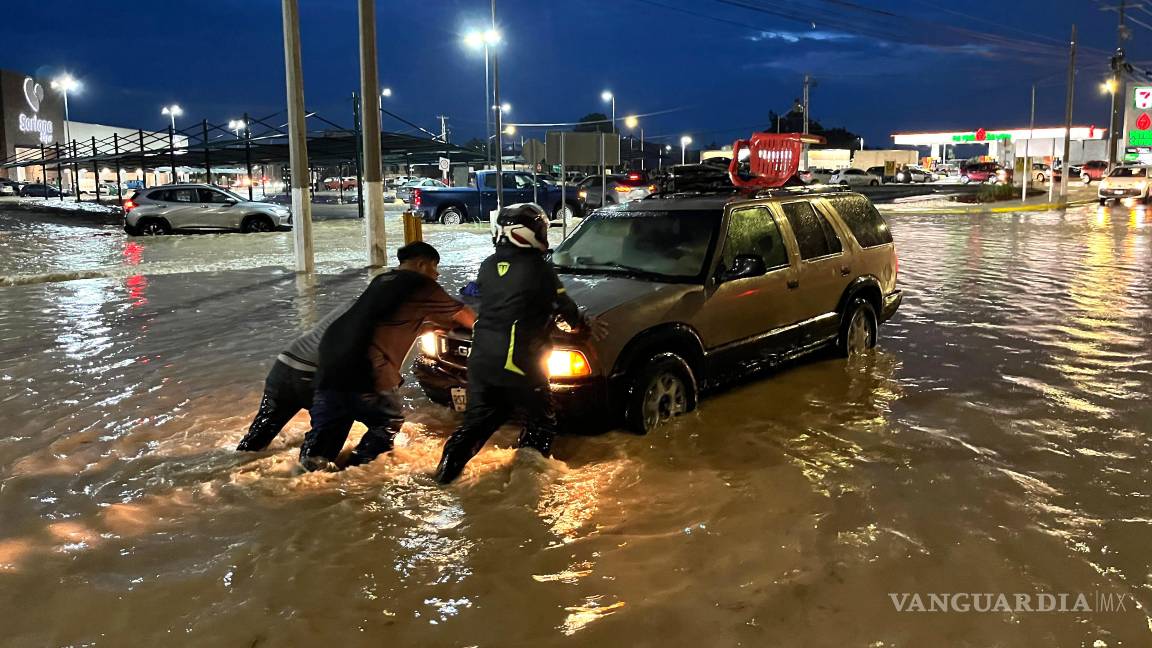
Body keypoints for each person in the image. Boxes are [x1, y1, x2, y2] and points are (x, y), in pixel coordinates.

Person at [434, 203, 605, 484]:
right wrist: (584, 327)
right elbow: (566, 309)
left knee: (478, 424)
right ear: (528, 232)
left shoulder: (488, 265)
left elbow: (504, 303)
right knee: (541, 421)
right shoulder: (539, 269)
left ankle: (443, 479)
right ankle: (526, 488)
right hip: (518, 360)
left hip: (481, 360)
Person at [299, 242, 476, 471]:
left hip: (328, 358)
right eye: (435, 267)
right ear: (422, 265)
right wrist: (486, 330)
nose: (437, 274)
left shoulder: (381, 280)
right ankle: (359, 471)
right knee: (388, 421)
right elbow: (463, 314)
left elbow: (394, 317)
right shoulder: (421, 284)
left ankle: (309, 474)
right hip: (367, 362)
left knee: (328, 431)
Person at [235, 299, 355, 452]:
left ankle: (235, 467)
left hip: (282, 368)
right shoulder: (382, 313)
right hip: (309, 375)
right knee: (337, 421)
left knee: (253, 443)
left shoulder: (353, 302)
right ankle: (311, 470)